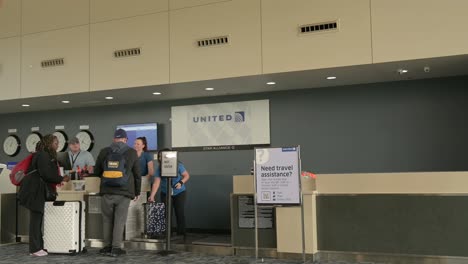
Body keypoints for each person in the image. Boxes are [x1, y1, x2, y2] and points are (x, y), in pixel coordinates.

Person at [18, 135, 70, 256]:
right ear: (49, 143)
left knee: (37, 218)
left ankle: (38, 247)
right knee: (36, 220)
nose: (57, 145)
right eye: (56, 143)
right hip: (34, 191)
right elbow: (46, 174)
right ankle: (35, 249)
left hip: (34, 190)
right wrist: (62, 178)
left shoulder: (42, 155)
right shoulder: (43, 155)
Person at [93, 129, 141, 257]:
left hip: (106, 191)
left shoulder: (104, 151)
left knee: (107, 220)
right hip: (124, 193)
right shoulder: (131, 152)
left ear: (114, 139)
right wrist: (137, 191)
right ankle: (116, 248)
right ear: (125, 139)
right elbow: (137, 174)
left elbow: (96, 171)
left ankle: (107, 246)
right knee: (119, 220)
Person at [149, 148, 190, 238]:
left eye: (161, 156)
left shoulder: (178, 165)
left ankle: (181, 233)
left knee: (179, 212)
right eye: (159, 156)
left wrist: (181, 182)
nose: (160, 158)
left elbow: (186, 175)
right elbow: (156, 182)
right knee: (166, 213)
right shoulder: (159, 169)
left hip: (179, 192)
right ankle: (168, 233)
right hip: (165, 192)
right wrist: (152, 195)